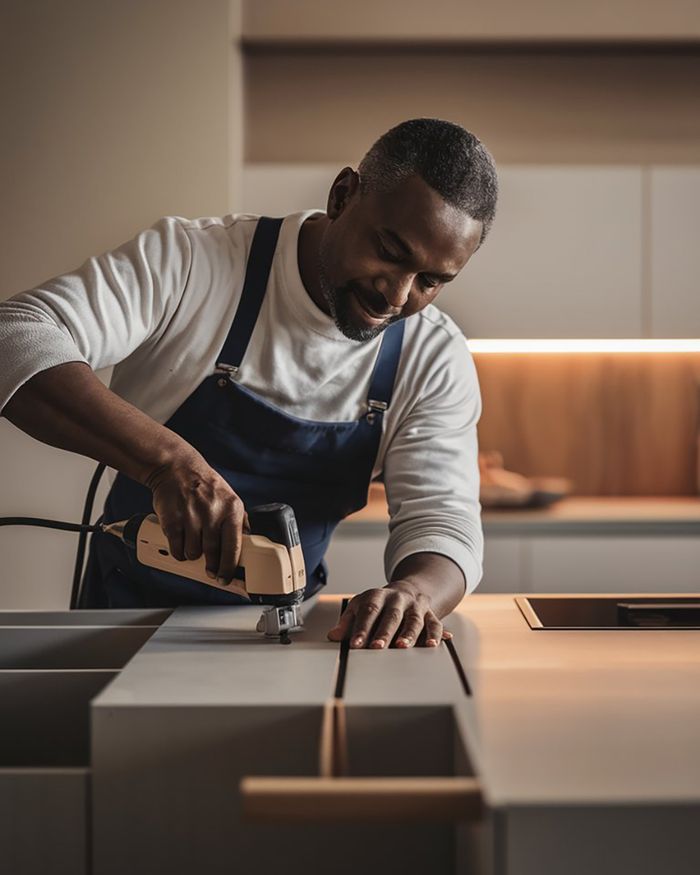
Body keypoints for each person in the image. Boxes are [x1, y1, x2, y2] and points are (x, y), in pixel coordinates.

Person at [0, 118, 498, 649]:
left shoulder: (432, 355)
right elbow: (14, 335)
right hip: (122, 621)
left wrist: (416, 592)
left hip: (282, 637)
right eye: (390, 252)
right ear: (342, 195)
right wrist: (168, 462)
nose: (396, 297)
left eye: (430, 281)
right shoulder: (194, 263)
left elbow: (443, 518)